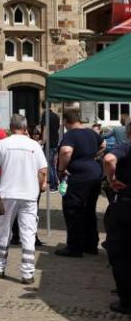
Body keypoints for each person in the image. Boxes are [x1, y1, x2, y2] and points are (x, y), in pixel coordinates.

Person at [0, 114, 48, 285]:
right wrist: (38, 186)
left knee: (4, 230)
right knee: (28, 232)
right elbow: (43, 170)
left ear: (10, 126)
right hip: (29, 194)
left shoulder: (2, 144)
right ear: (25, 127)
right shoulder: (34, 145)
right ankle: (27, 273)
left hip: (7, 192)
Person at [56, 109, 105, 257]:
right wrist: (92, 157)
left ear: (65, 121)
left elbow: (65, 151)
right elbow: (104, 145)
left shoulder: (70, 134)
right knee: (90, 210)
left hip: (79, 177)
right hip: (95, 174)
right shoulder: (91, 132)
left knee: (74, 210)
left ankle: (74, 247)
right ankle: (91, 245)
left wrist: (62, 168)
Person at [103, 121, 131, 314]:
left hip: (126, 204)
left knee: (120, 252)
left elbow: (109, 159)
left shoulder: (126, 146)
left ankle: (126, 300)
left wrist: (111, 180)